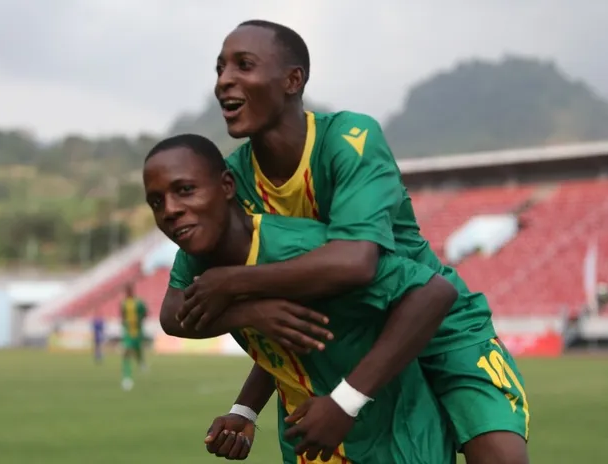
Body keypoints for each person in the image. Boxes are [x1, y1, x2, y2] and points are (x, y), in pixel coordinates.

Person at [165, 20, 530, 464]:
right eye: (220, 68)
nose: (224, 80)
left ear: (293, 79)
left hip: (437, 324)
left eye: (244, 65)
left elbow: (356, 263)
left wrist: (233, 283)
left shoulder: (348, 140)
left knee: (501, 457)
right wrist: (246, 379)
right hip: (351, 341)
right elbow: (205, 307)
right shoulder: (231, 181)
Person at [144, 134, 457, 463]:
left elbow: (433, 291)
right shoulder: (197, 256)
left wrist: (345, 401)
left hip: (395, 446)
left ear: (226, 186)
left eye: (185, 190)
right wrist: (245, 406)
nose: (170, 211)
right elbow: (173, 317)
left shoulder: (301, 249)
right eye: (155, 202)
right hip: (308, 445)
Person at [120, 285, 148, 390]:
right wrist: (124, 323)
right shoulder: (123, 303)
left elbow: (145, 313)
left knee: (137, 350)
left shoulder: (139, 303)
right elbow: (122, 315)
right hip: (128, 332)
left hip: (137, 332)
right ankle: (127, 378)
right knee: (126, 353)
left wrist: (140, 320)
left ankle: (141, 363)